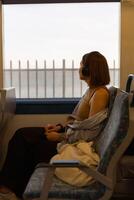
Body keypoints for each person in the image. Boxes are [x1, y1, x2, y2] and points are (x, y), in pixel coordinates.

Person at [0, 51, 110, 200]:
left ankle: (10, 190)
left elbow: (91, 133)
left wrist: (59, 136)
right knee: (22, 134)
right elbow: (81, 123)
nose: (79, 69)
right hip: (69, 135)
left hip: (74, 143)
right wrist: (60, 127)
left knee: (30, 146)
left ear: (89, 69)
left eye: (81, 65)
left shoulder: (100, 94)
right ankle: (9, 189)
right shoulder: (91, 91)